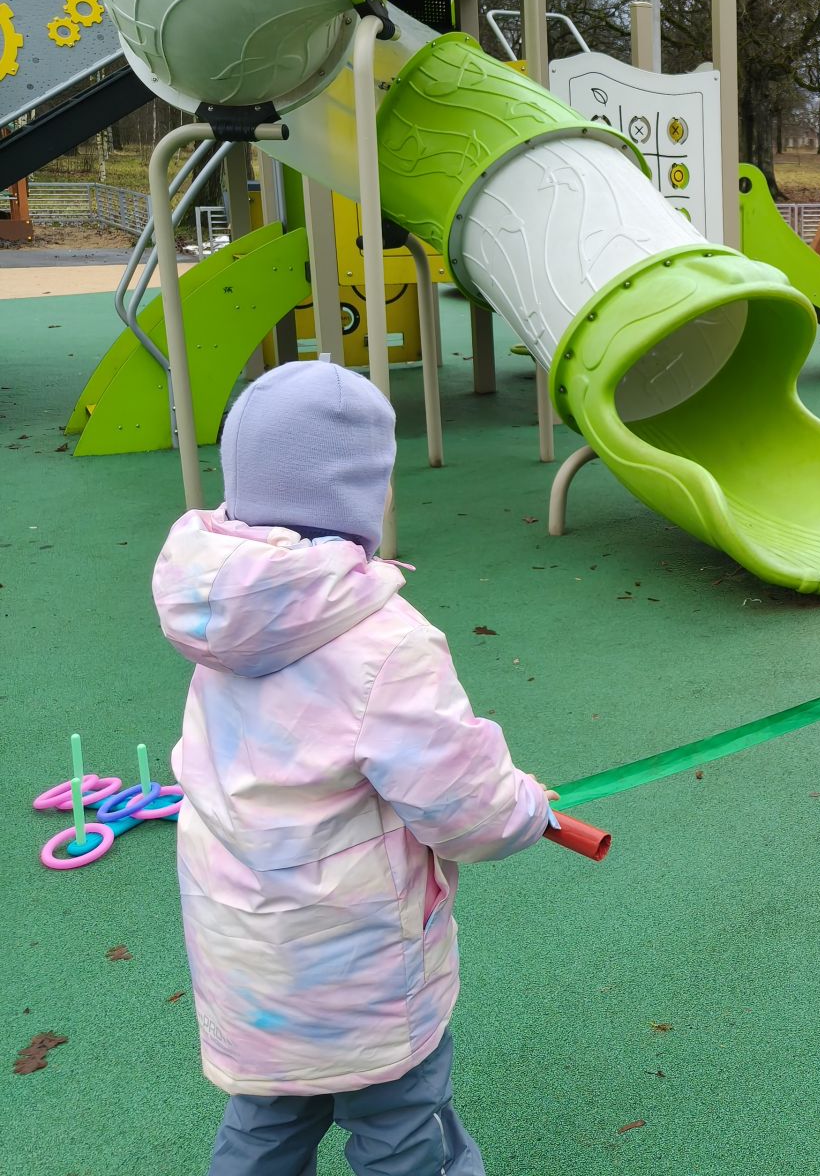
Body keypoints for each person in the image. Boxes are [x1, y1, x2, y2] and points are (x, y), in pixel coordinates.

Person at [152, 360, 555, 1175]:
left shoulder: (217, 613)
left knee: (267, 1120)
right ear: (367, 491)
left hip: (251, 961)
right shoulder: (383, 641)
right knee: (404, 1124)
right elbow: (463, 804)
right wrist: (526, 809)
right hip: (361, 970)